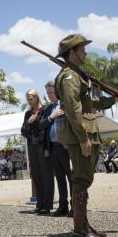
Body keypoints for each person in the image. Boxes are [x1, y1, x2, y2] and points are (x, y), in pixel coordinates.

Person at [55, 34, 118, 237]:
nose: (86, 52)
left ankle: (83, 225)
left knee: (84, 179)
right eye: (82, 49)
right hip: (80, 134)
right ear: (72, 53)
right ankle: (79, 231)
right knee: (81, 179)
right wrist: (83, 138)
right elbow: (73, 109)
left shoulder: (78, 75)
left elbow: (87, 104)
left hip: (87, 131)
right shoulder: (69, 77)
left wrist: (110, 100)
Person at [39, 81, 73, 217]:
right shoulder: (48, 109)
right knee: (60, 179)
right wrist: (52, 117)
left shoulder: (67, 104)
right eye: (47, 93)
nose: (49, 95)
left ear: (58, 91)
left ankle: (75, 206)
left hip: (66, 147)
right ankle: (62, 206)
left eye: (51, 92)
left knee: (71, 179)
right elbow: (41, 125)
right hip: (53, 148)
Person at [21, 89, 54, 215]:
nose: (30, 100)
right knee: (37, 176)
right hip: (32, 147)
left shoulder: (45, 110)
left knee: (46, 176)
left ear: (36, 97)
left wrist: (47, 147)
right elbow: (23, 131)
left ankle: (47, 205)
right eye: (28, 98)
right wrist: (29, 122)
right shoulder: (28, 113)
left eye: (31, 98)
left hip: (43, 146)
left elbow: (45, 126)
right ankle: (40, 204)